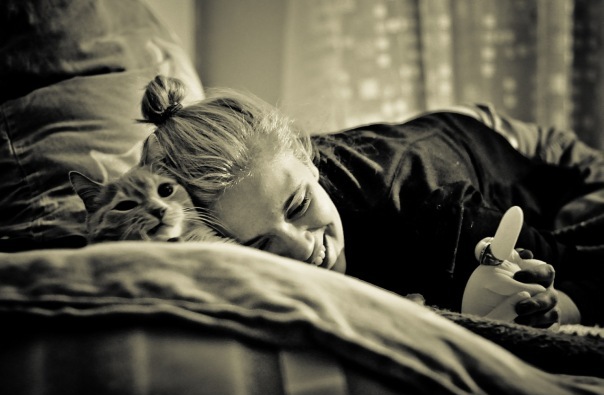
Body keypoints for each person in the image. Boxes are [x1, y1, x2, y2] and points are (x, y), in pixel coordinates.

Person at [138, 74, 604, 328]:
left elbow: (594, 276)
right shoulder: (240, 196)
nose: (302, 248)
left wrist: (560, 305)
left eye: (298, 206)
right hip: (409, 141)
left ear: (308, 161)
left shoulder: (437, 212)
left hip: (510, 144)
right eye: (261, 246)